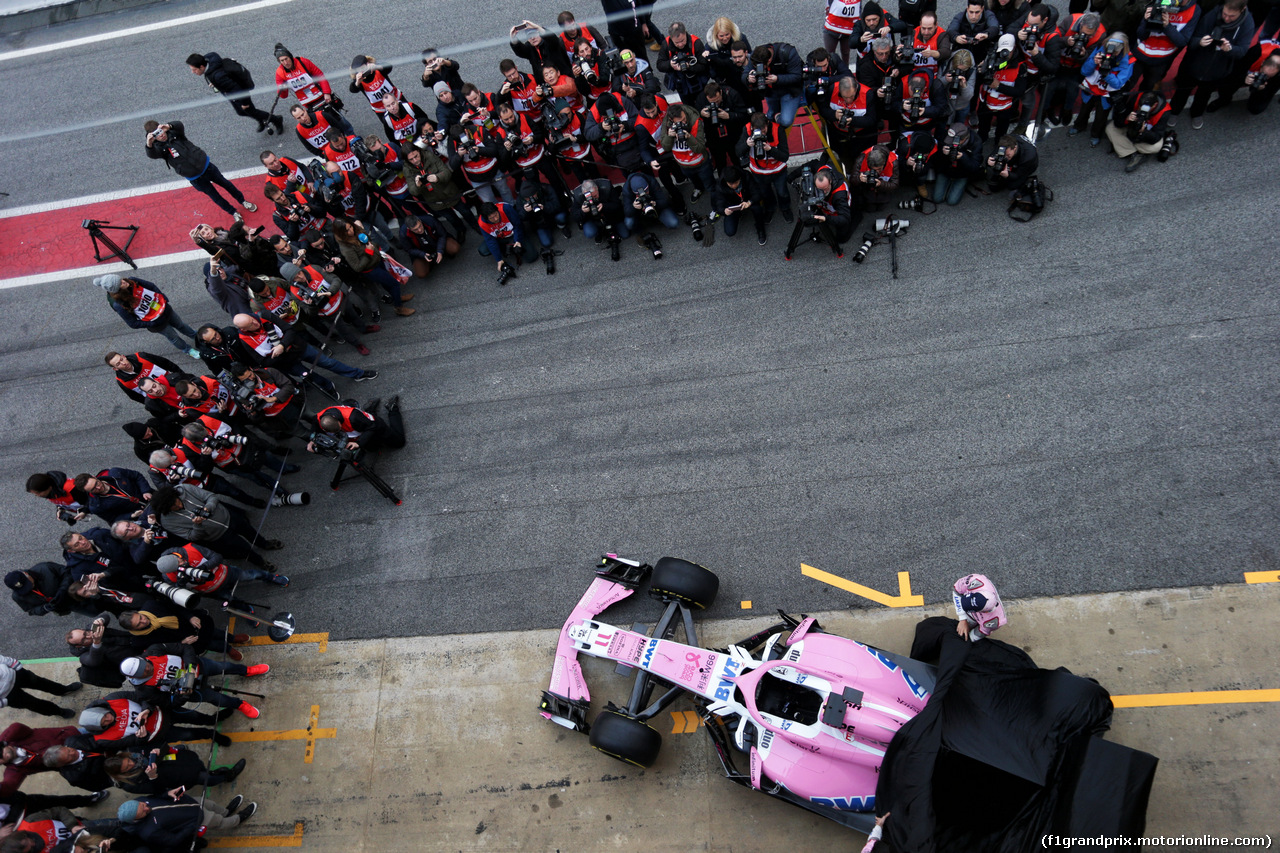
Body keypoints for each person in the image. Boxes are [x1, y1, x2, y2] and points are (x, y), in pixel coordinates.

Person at [148, 484, 281, 569]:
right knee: (243, 548)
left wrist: (208, 508)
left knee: (250, 531)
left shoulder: (185, 489)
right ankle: (260, 562)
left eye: (177, 502)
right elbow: (191, 536)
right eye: (174, 507)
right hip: (218, 536)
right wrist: (197, 525)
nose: (179, 506)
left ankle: (264, 543)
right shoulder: (168, 522)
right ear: (166, 510)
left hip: (228, 516)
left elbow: (211, 496)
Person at [143, 120, 256, 219]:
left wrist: (169, 126)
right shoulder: (158, 148)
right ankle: (233, 212)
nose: (161, 135)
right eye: (156, 135)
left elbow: (179, 125)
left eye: (160, 131)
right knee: (215, 196)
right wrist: (149, 144)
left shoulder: (175, 133)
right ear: (152, 136)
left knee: (226, 184)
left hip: (207, 167)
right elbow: (152, 155)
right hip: (195, 178)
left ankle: (243, 201)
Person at [1169, 0, 1254, 128]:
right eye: (1225, 14)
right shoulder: (1211, 15)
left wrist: (1230, 49)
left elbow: (1242, 51)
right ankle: (1174, 111)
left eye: (1232, 16)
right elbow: (1191, 40)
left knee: (1204, 95)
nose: (1226, 18)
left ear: (1242, 10)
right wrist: (1199, 42)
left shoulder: (1248, 24)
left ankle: (1197, 113)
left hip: (1217, 70)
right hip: (1193, 64)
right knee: (1182, 91)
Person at [119, 645, 269, 719]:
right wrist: (183, 695)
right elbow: (168, 703)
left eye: (147, 664)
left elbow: (184, 648)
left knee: (226, 666)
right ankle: (239, 704)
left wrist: (190, 667)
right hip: (192, 690)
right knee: (218, 699)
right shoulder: (144, 690)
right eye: (145, 671)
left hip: (198, 666)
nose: (149, 668)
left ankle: (246, 671)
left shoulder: (153, 651)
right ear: (137, 677)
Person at [69, 691, 228, 752]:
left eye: (105, 715)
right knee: (189, 734)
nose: (109, 719)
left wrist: (146, 710)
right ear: (98, 728)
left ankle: (213, 719)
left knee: (194, 716)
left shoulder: (111, 699)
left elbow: (140, 696)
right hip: (161, 733)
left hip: (164, 712)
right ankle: (212, 735)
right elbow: (131, 743)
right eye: (104, 723)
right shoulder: (103, 740)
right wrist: (141, 737)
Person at [92, 275, 199, 359]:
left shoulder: (133, 281)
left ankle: (196, 337)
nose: (124, 282)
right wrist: (151, 323)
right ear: (117, 291)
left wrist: (163, 298)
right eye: (120, 284)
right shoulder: (119, 305)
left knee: (181, 325)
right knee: (173, 337)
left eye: (121, 279)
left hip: (165, 309)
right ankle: (188, 350)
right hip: (156, 323)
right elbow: (133, 323)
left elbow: (151, 286)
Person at [186, 52, 280, 134]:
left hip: (240, 94)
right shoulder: (209, 59)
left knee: (249, 110)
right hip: (231, 92)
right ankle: (261, 120)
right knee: (241, 112)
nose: (193, 72)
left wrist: (245, 102)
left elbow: (238, 89)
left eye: (194, 69)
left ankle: (276, 120)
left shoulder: (219, 77)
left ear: (202, 66)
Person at [116, 794, 255, 848]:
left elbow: (159, 795)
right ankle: (239, 818)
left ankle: (227, 811)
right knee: (221, 822)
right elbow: (173, 840)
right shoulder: (148, 832)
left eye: (143, 805)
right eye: (143, 811)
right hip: (196, 819)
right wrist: (192, 828)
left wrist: (170, 793)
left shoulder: (139, 800)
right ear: (135, 819)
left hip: (191, 801)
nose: (147, 808)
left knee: (211, 804)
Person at [273, 43, 354, 135]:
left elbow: (320, 76)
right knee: (326, 126)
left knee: (340, 120)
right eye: (282, 61)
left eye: (286, 59)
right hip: (310, 105)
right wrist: (282, 88)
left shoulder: (303, 62)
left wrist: (327, 93)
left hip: (323, 98)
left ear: (290, 56)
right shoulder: (280, 73)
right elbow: (283, 96)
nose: (285, 63)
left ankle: (352, 136)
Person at [1072, 33, 1135, 145]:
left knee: (1101, 117)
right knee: (1084, 110)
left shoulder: (1129, 60)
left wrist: (1107, 74)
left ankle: (1096, 135)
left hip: (1107, 94)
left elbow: (1118, 83)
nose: (1111, 54)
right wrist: (1093, 62)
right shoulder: (1100, 50)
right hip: (1090, 89)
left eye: (1116, 52)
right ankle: (1079, 126)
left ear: (1123, 49)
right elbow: (1084, 71)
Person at [155, 542, 289, 595]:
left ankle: (271, 577)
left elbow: (217, 557)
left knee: (251, 575)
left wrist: (203, 568)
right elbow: (179, 591)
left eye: (179, 561)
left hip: (226, 573)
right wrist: (181, 581)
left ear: (174, 555)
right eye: (178, 567)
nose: (182, 564)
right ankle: (246, 611)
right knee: (231, 601)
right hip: (212, 590)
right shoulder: (168, 576)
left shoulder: (191, 548)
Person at [104, 747, 244, 797]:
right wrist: (152, 777)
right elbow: (157, 791)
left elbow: (150, 746)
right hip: (177, 778)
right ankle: (227, 776)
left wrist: (157, 750)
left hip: (176, 761)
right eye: (127, 767)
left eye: (128, 760)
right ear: (121, 773)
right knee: (205, 779)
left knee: (199, 766)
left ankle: (213, 772)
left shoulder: (132, 752)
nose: (132, 763)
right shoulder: (129, 784)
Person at [737, 110, 793, 225]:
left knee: (782, 192)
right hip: (759, 172)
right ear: (752, 128)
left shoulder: (778, 130)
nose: (762, 135)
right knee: (765, 192)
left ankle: (785, 208)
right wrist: (746, 145)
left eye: (764, 131)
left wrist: (770, 149)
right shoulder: (746, 130)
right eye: (758, 132)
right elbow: (737, 152)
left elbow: (785, 156)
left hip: (778, 170)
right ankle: (770, 208)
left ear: (767, 124)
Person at [1132, 0, 1200, 93]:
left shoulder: (1194, 10)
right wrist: (1145, 20)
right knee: (1127, 85)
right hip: (1140, 53)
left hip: (1161, 60)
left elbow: (1182, 42)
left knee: (1146, 89)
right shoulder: (1160, 1)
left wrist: (1167, 26)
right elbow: (1141, 34)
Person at [1106, 90, 1174, 170]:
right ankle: (1135, 153)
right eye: (1139, 107)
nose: (1140, 110)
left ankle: (1123, 146)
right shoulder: (1137, 98)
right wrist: (1126, 118)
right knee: (1110, 128)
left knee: (1156, 147)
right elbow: (1118, 121)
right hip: (1130, 127)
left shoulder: (1165, 111)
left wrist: (1143, 132)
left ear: (1155, 105)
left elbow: (1157, 137)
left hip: (1145, 134)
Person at [309, 398, 405, 454]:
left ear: (337, 420)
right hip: (360, 429)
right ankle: (370, 410)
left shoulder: (353, 417)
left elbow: (372, 427)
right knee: (372, 448)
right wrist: (312, 440)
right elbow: (314, 425)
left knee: (399, 442)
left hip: (373, 425)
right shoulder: (319, 419)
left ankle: (393, 409)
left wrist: (358, 443)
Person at [659, 102, 713, 200]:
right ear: (672, 120)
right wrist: (669, 137)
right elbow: (666, 147)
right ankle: (698, 188)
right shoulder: (667, 123)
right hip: (684, 165)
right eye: (680, 122)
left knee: (710, 185)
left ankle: (715, 200)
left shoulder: (695, 121)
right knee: (695, 181)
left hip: (701, 164)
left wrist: (689, 137)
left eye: (684, 119)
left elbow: (700, 148)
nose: (684, 123)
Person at [745, 42, 805, 128]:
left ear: (769, 60)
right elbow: (745, 74)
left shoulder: (789, 52)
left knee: (786, 121)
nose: (757, 68)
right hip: (770, 92)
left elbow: (797, 76)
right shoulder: (756, 56)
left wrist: (777, 79)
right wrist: (748, 78)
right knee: (770, 117)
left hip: (789, 91)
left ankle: (776, 117)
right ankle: (772, 116)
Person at [0, 659, 81, 722]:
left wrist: (15, 664)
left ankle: (63, 690)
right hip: (6, 695)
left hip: (13, 673)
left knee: (43, 683)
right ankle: (58, 712)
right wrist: (3, 702)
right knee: (34, 704)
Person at [70, 469, 152, 526]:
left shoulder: (115, 473)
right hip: (144, 515)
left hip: (153, 498)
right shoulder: (96, 506)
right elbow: (113, 519)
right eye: (93, 489)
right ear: (88, 492)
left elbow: (136, 476)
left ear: (94, 477)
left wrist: (145, 491)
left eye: (96, 483)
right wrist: (131, 515)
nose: (98, 488)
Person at [930, 121, 984, 204]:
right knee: (937, 199)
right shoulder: (946, 136)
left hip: (962, 174)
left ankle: (962, 184)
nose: (949, 142)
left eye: (952, 141)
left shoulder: (976, 142)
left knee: (952, 201)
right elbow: (934, 160)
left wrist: (963, 157)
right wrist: (942, 153)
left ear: (963, 140)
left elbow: (975, 166)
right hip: (946, 170)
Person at [710, 165, 766, 244]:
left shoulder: (746, 176)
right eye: (730, 184)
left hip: (747, 200)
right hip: (732, 206)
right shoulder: (720, 186)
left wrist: (750, 202)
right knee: (730, 231)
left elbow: (757, 192)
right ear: (726, 181)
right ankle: (738, 214)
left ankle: (760, 229)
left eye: (736, 183)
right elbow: (719, 204)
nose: (733, 186)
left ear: (740, 178)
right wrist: (724, 211)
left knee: (757, 209)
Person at [658, 22, 711, 102]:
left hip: (697, 81)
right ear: (671, 38)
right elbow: (659, 64)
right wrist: (670, 65)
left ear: (685, 33)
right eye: (676, 42)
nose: (680, 44)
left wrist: (689, 66)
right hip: (680, 84)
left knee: (702, 102)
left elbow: (704, 65)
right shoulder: (666, 44)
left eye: (682, 40)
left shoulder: (696, 43)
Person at [952, 573, 1008, 641]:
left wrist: (965, 641)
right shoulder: (975, 580)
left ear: (985, 611)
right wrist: (962, 619)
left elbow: (978, 633)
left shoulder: (994, 621)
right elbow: (956, 592)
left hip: (976, 620)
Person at [5, 565, 72, 617]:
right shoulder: (17, 596)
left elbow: (67, 573)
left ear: (26, 574)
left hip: (73, 593)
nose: (30, 587)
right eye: (24, 589)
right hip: (62, 607)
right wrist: (45, 608)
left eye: (28, 584)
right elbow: (30, 610)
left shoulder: (45, 568)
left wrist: (63, 590)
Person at [42, 746, 113, 794]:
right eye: (68, 757)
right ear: (61, 765)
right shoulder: (75, 777)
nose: (72, 753)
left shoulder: (74, 740)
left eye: (69, 750)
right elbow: (97, 786)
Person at [949, 0, 1000, 65]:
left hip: (982, 53)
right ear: (967, 9)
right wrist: (956, 37)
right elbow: (951, 30)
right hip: (962, 54)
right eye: (971, 12)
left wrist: (986, 34)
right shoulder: (959, 17)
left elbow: (995, 28)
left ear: (982, 9)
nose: (973, 16)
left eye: (977, 12)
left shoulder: (988, 15)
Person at [824, 0, 864, 65]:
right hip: (832, 28)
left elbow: (859, 9)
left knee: (846, 53)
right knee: (829, 55)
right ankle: (830, 72)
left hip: (848, 30)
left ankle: (845, 72)